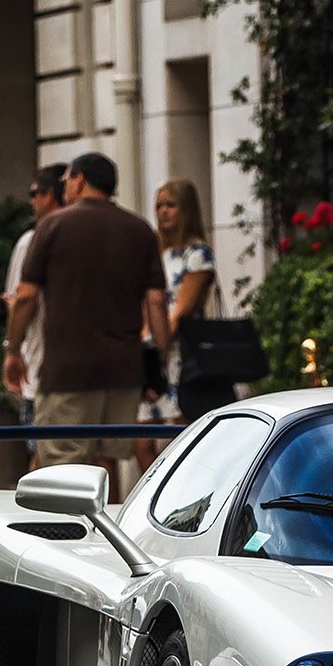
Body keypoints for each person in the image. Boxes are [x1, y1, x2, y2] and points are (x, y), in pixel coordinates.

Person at [3, 152, 167, 500]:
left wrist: (13, 349)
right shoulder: (140, 230)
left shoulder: (53, 226)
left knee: (61, 463)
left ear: (79, 180)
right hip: (123, 370)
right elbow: (156, 301)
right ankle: (105, 547)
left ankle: (67, 543)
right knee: (106, 460)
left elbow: (27, 295)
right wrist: (160, 360)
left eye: (66, 182)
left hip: (68, 370)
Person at [135, 178, 220, 473]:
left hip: (181, 354)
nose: (163, 212)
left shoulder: (197, 254)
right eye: (159, 206)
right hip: (152, 349)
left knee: (181, 437)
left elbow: (180, 310)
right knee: (141, 442)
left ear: (186, 209)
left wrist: (157, 354)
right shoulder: (154, 253)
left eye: (171, 205)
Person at [2, 163, 66, 467]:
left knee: (41, 456)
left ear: (50, 194)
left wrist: (11, 350)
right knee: (96, 457)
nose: (31, 201)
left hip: (40, 368)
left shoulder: (32, 240)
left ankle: (38, 517)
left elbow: (20, 300)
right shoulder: (86, 235)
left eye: (34, 193)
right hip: (86, 366)